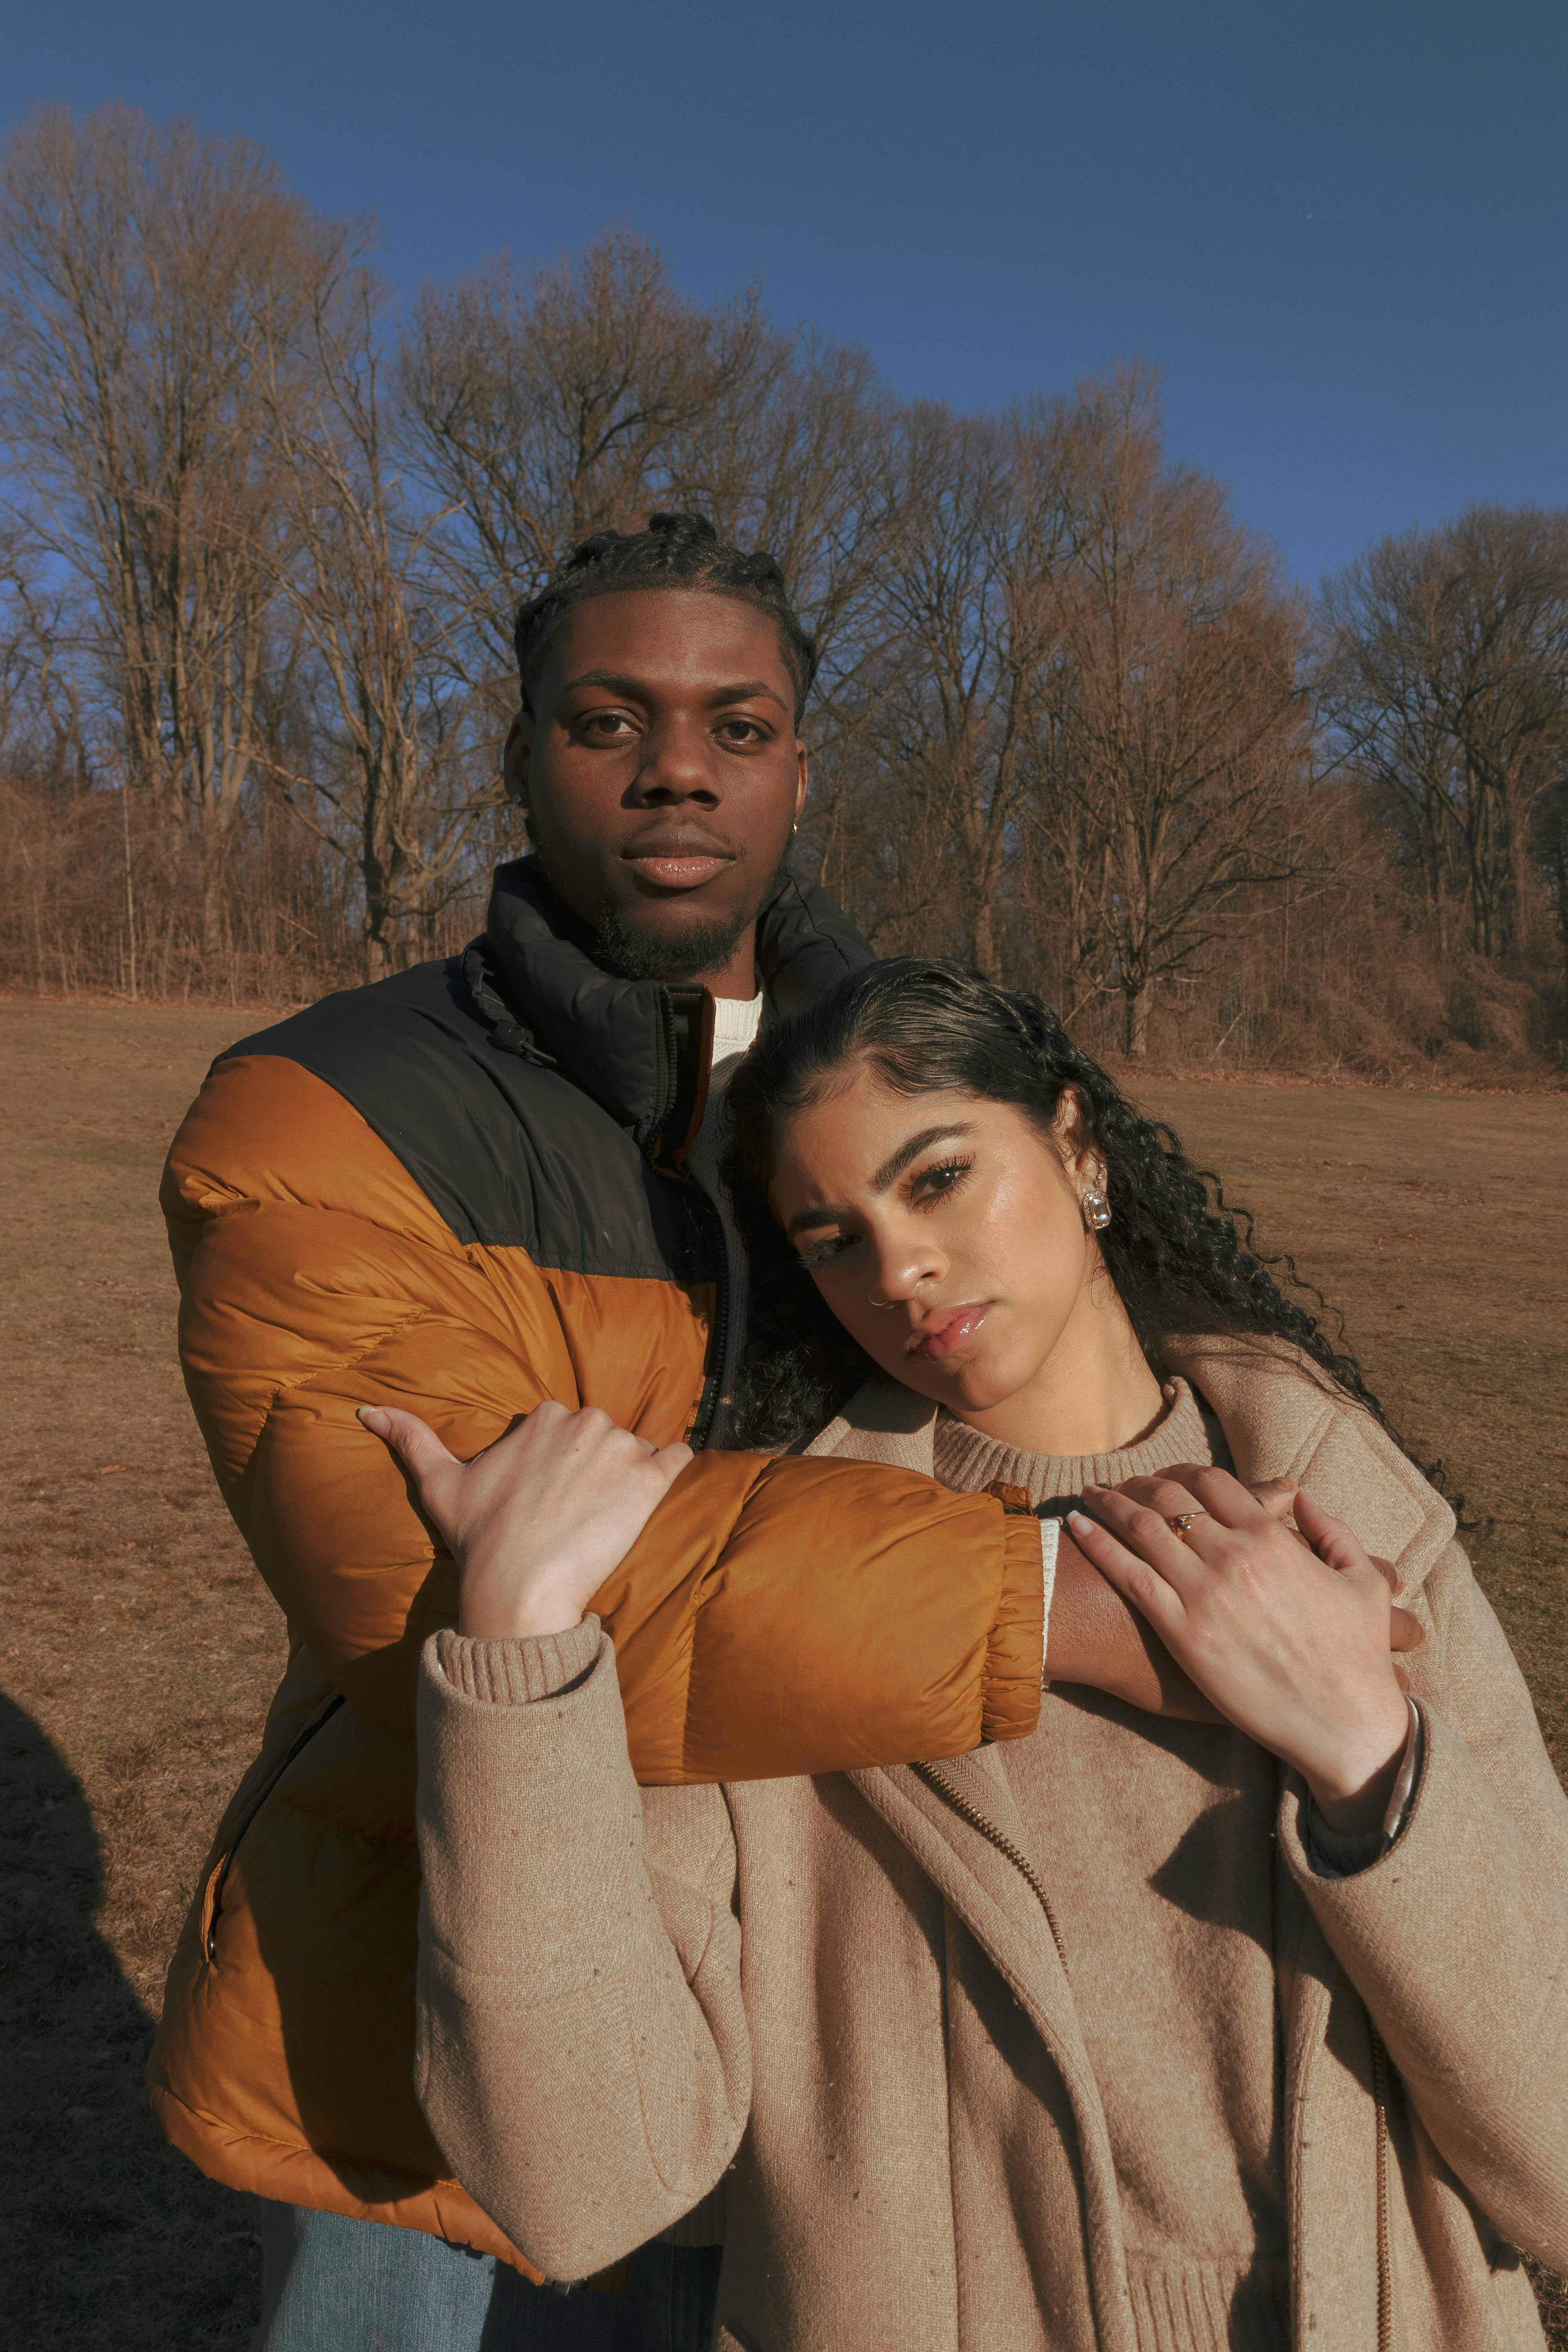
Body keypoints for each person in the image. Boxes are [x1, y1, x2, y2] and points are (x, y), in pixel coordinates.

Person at [151, 520, 1222, 2348]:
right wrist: (1088, 1610)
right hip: (426, 2050)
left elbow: (1125, 1378)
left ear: (801, 764)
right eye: (608, 719)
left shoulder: (900, 1069)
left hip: (843, 2039)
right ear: (518, 751)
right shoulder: (321, 1110)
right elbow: (454, 1606)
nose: (677, 768)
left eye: (739, 725)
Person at [389, 959, 1568, 2352]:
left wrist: (1369, 1757)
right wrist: (519, 1658)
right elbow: (582, 2188)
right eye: (831, 1239)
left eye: (936, 1178)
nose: (896, 1272)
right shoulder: (773, 1591)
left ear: (1077, 1146)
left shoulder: (1350, 1509)